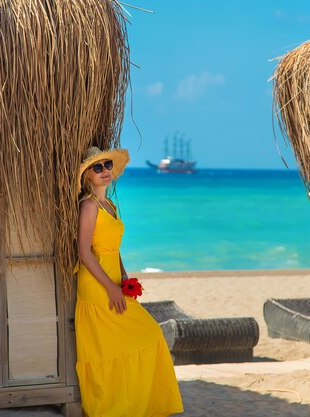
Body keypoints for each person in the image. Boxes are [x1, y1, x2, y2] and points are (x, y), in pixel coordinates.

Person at [74, 146, 183, 417]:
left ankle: (136, 405)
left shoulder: (109, 204)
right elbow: (84, 252)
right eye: (97, 168)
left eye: (107, 165)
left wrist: (123, 277)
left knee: (149, 333)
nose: (104, 171)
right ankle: (109, 409)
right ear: (87, 175)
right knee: (108, 348)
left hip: (112, 278)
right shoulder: (88, 206)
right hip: (96, 286)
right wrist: (110, 287)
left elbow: (113, 248)